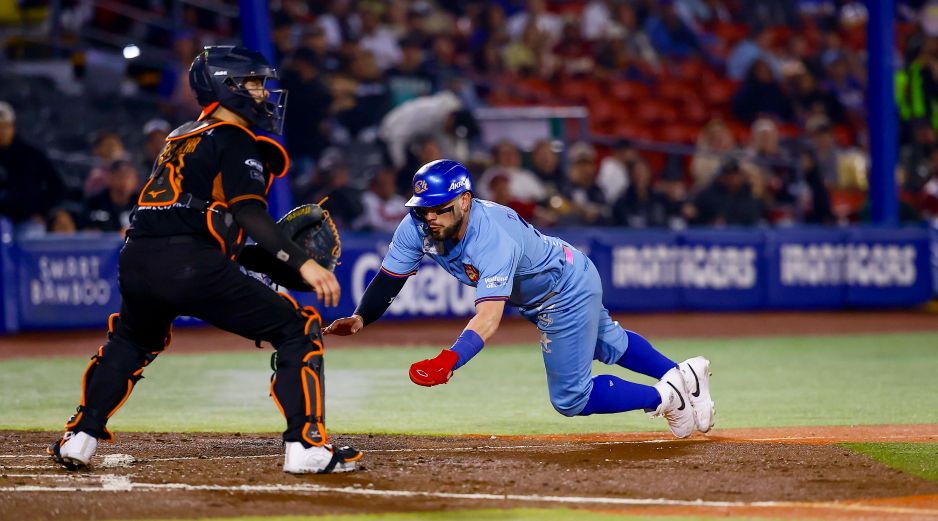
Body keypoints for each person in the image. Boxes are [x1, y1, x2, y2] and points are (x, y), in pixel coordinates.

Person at [48, 46, 361, 475]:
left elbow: (197, 220)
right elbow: (249, 213)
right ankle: (306, 446)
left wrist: (266, 261)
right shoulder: (234, 138)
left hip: (138, 258)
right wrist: (302, 264)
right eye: (252, 84)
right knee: (297, 328)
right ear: (224, 86)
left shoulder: (180, 136)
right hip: (189, 263)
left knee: (132, 341)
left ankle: (79, 437)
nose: (261, 93)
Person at [324, 159, 714, 438]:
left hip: (562, 290)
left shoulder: (490, 237)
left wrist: (450, 359)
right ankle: (686, 374)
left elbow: (489, 320)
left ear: (464, 201)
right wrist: (361, 318)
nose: (430, 219)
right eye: (422, 210)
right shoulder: (418, 226)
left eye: (439, 210)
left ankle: (666, 395)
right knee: (608, 343)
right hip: (564, 273)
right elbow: (390, 278)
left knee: (570, 398)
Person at [0, 101, 66, 237]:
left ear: (13, 127)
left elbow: (57, 186)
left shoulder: (31, 155)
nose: (2, 132)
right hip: (2, 220)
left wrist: (43, 211)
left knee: (32, 240)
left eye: (5, 127)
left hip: (28, 219)